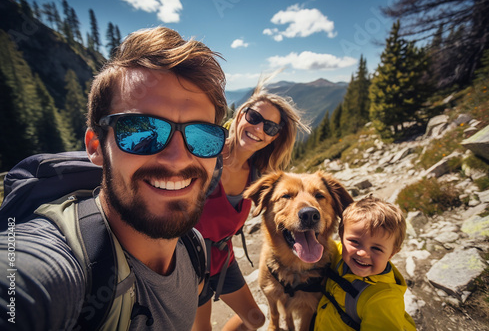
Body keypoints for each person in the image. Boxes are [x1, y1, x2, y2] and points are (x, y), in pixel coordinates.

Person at [0, 26, 227, 331]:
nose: (178, 158)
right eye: (141, 131)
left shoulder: (193, 247)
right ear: (96, 147)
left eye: (202, 135)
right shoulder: (57, 265)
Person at [192, 77, 311, 331]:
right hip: (188, 256)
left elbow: (289, 207)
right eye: (254, 118)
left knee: (255, 320)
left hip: (222, 257)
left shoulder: (259, 176)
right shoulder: (204, 153)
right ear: (240, 115)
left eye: (270, 128)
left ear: (273, 139)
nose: (259, 129)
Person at [314, 195, 416, 331]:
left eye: (376, 248)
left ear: (392, 253)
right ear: (341, 235)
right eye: (355, 242)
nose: (362, 253)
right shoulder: (338, 253)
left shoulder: (382, 300)